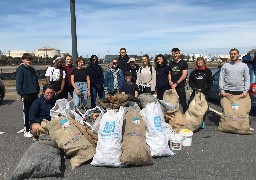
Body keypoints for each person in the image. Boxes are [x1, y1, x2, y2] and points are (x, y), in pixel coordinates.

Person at [16, 53, 40, 138]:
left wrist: (37, 90)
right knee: (26, 112)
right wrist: (21, 93)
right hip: (26, 94)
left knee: (34, 111)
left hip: (34, 93)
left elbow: (36, 81)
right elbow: (19, 83)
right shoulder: (20, 69)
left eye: (30, 59)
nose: (29, 61)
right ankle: (26, 130)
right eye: (27, 59)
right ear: (23, 60)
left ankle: (32, 127)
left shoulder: (32, 69)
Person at [169, 48, 188, 113]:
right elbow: (169, 73)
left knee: (183, 103)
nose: (175, 55)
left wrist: (176, 84)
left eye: (176, 53)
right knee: (173, 103)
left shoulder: (183, 63)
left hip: (180, 86)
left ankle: (185, 116)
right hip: (172, 86)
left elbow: (184, 75)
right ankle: (175, 116)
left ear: (179, 54)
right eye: (173, 54)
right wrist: (170, 81)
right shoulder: (171, 63)